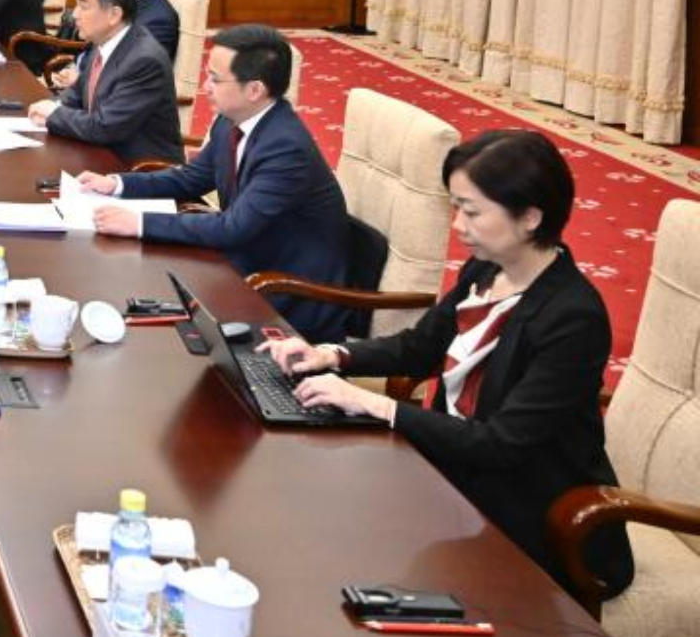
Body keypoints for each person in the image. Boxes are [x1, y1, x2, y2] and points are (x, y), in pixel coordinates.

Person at [262, 130, 634, 597]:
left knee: (347, 540)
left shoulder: (573, 317)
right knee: (310, 501)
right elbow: (420, 347)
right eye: (455, 207)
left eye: (472, 211)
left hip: (529, 514)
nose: (457, 225)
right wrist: (331, 354)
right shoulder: (486, 271)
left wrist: (375, 405)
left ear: (530, 218)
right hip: (453, 474)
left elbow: (499, 444)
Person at [78, 24, 355, 341]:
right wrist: (117, 185)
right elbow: (192, 178)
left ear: (254, 90)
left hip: (286, 294)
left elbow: (233, 227)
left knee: (155, 322)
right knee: (132, 285)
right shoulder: (232, 120)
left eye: (215, 79)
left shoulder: (286, 148)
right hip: (242, 264)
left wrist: (139, 223)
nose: (205, 87)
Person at [28, 0, 183, 165]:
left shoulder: (144, 60)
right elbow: (76, 94)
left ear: (113, 15)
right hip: (98, 152)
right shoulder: (104, 39)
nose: (74, 14)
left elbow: (106, 127)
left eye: (84, 6)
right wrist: (52, 107)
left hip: (137, 168)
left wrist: (53, 114)